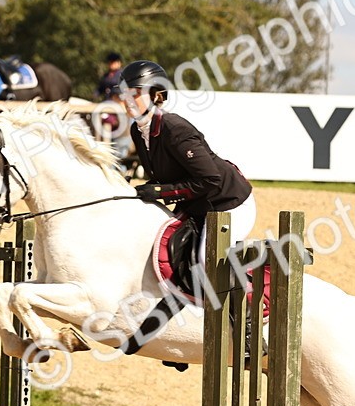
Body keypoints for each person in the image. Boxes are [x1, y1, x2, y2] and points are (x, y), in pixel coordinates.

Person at [120, 60, 257, 259]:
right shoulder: (137, 130)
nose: (127, 100)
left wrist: (159, 192)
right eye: (124, 93)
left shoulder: (174, 128)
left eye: (135, 93)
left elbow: (210, 179)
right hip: (196, 207)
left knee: (204, 259)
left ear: (156, 94)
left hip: (228, 204)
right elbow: (164, 177)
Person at [95, 52, 129, 161]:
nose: (111, 64)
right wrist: (95, 94)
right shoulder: (106, 76)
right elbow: (100, 88)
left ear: (118, 63)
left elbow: (121, 90)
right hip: (107, 104)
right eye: (110, 62)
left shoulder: (122, 75)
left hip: (118, 105)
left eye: (113, 62)